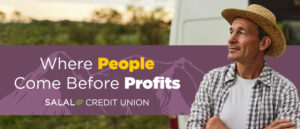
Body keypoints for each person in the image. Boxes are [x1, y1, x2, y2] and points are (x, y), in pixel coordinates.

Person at [187, 4, 300, 129]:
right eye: (231, 32)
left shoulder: (284, 89)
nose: (231, 39)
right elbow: (194, 126)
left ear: (263, 43)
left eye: (241, 32)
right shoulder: (212, 79)